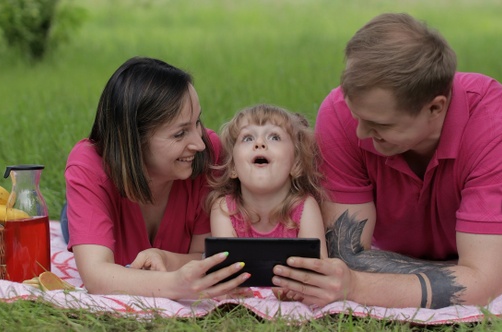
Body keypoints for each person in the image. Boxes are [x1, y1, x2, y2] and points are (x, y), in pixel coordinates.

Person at [271, 13, 502, 309]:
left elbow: (485, 287)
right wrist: (470, 274)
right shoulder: (341, 114)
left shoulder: (492, 127)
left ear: (435, 108)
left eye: (381, 125)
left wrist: (357, 286)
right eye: (358, 116)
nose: (360, 132)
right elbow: (346, 256)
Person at [63, 56, 249, 298]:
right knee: (72, 225)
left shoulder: (208, 154)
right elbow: (96, 276)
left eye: (197, 123)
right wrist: (172, 285)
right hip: (95, 203)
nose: (198, 143)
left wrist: (165, 259)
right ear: (134, 140)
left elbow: (205, 257)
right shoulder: (89, 166)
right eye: (180, 133)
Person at [207, 104, 328, 259]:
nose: (259, 143)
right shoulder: (225, 210)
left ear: (296, 164)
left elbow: (318, 271)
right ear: (232, 167)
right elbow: (226, 274)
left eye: (274, 137)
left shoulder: (304, 208)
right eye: (248, 138)